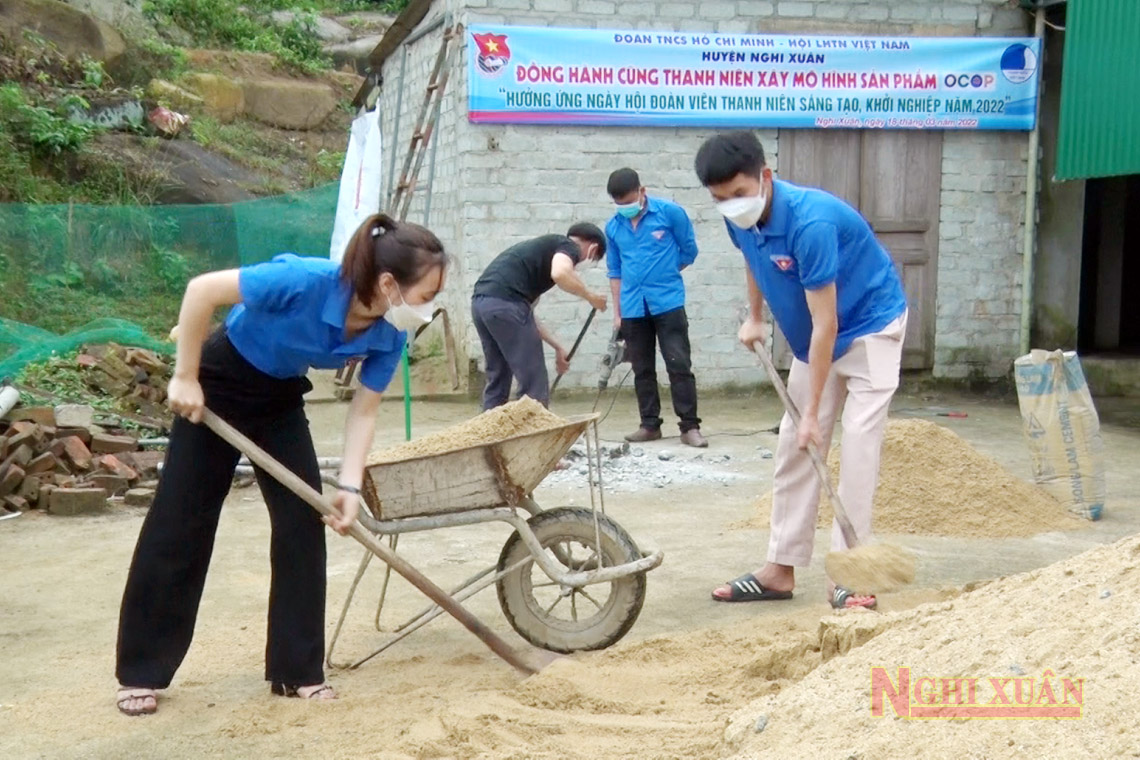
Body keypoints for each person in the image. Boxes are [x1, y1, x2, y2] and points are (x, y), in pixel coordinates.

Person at [115, 214, 447, 716]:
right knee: (181, 521)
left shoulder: (388, 335)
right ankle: (141, 671)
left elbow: (365, 410)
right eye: (424, 296)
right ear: (387, 284)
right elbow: (202, 290)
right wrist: (186, 376)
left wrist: (351, 489)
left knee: (301, 523)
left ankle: (297, 671)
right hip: (220, 380)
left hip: (279, 399)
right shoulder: (306, 281)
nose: (426, 309)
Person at [694, 131, 908, 611]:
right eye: (720, 199)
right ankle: (779, 568)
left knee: (856, 443)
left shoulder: (811, 222)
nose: (731, 206)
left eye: (739, 194)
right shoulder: (739, 220)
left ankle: (848, 572)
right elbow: (752, 260)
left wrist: (814, 412)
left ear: (765, 177)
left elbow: (826, 324)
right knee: (795, 444)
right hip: (816, 333)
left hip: (869, 326)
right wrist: (755, 317)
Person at [606, 168, 707, 448]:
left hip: (668, 303)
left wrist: (666, 273)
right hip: (633, 307)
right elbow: (615, 271)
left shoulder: (670, 213)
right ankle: (649, 425)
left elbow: (689, 251)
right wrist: (617, 313)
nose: (626, 208)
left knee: (679, 363)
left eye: (629, 202)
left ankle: (690, 427)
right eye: (620, 205)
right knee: (641, 368)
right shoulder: (613, 227)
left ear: (642, 191)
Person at [471, 223, 608, 410]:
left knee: (499, 375)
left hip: (482, 305)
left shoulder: (539, 256)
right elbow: (560, 273)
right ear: (593, 249)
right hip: (506, 305)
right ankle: (534, 429)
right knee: (533, 379)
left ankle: (487, 432)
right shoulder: (568, 246)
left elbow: (526, 316)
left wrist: (558, 347)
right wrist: (591, 297)